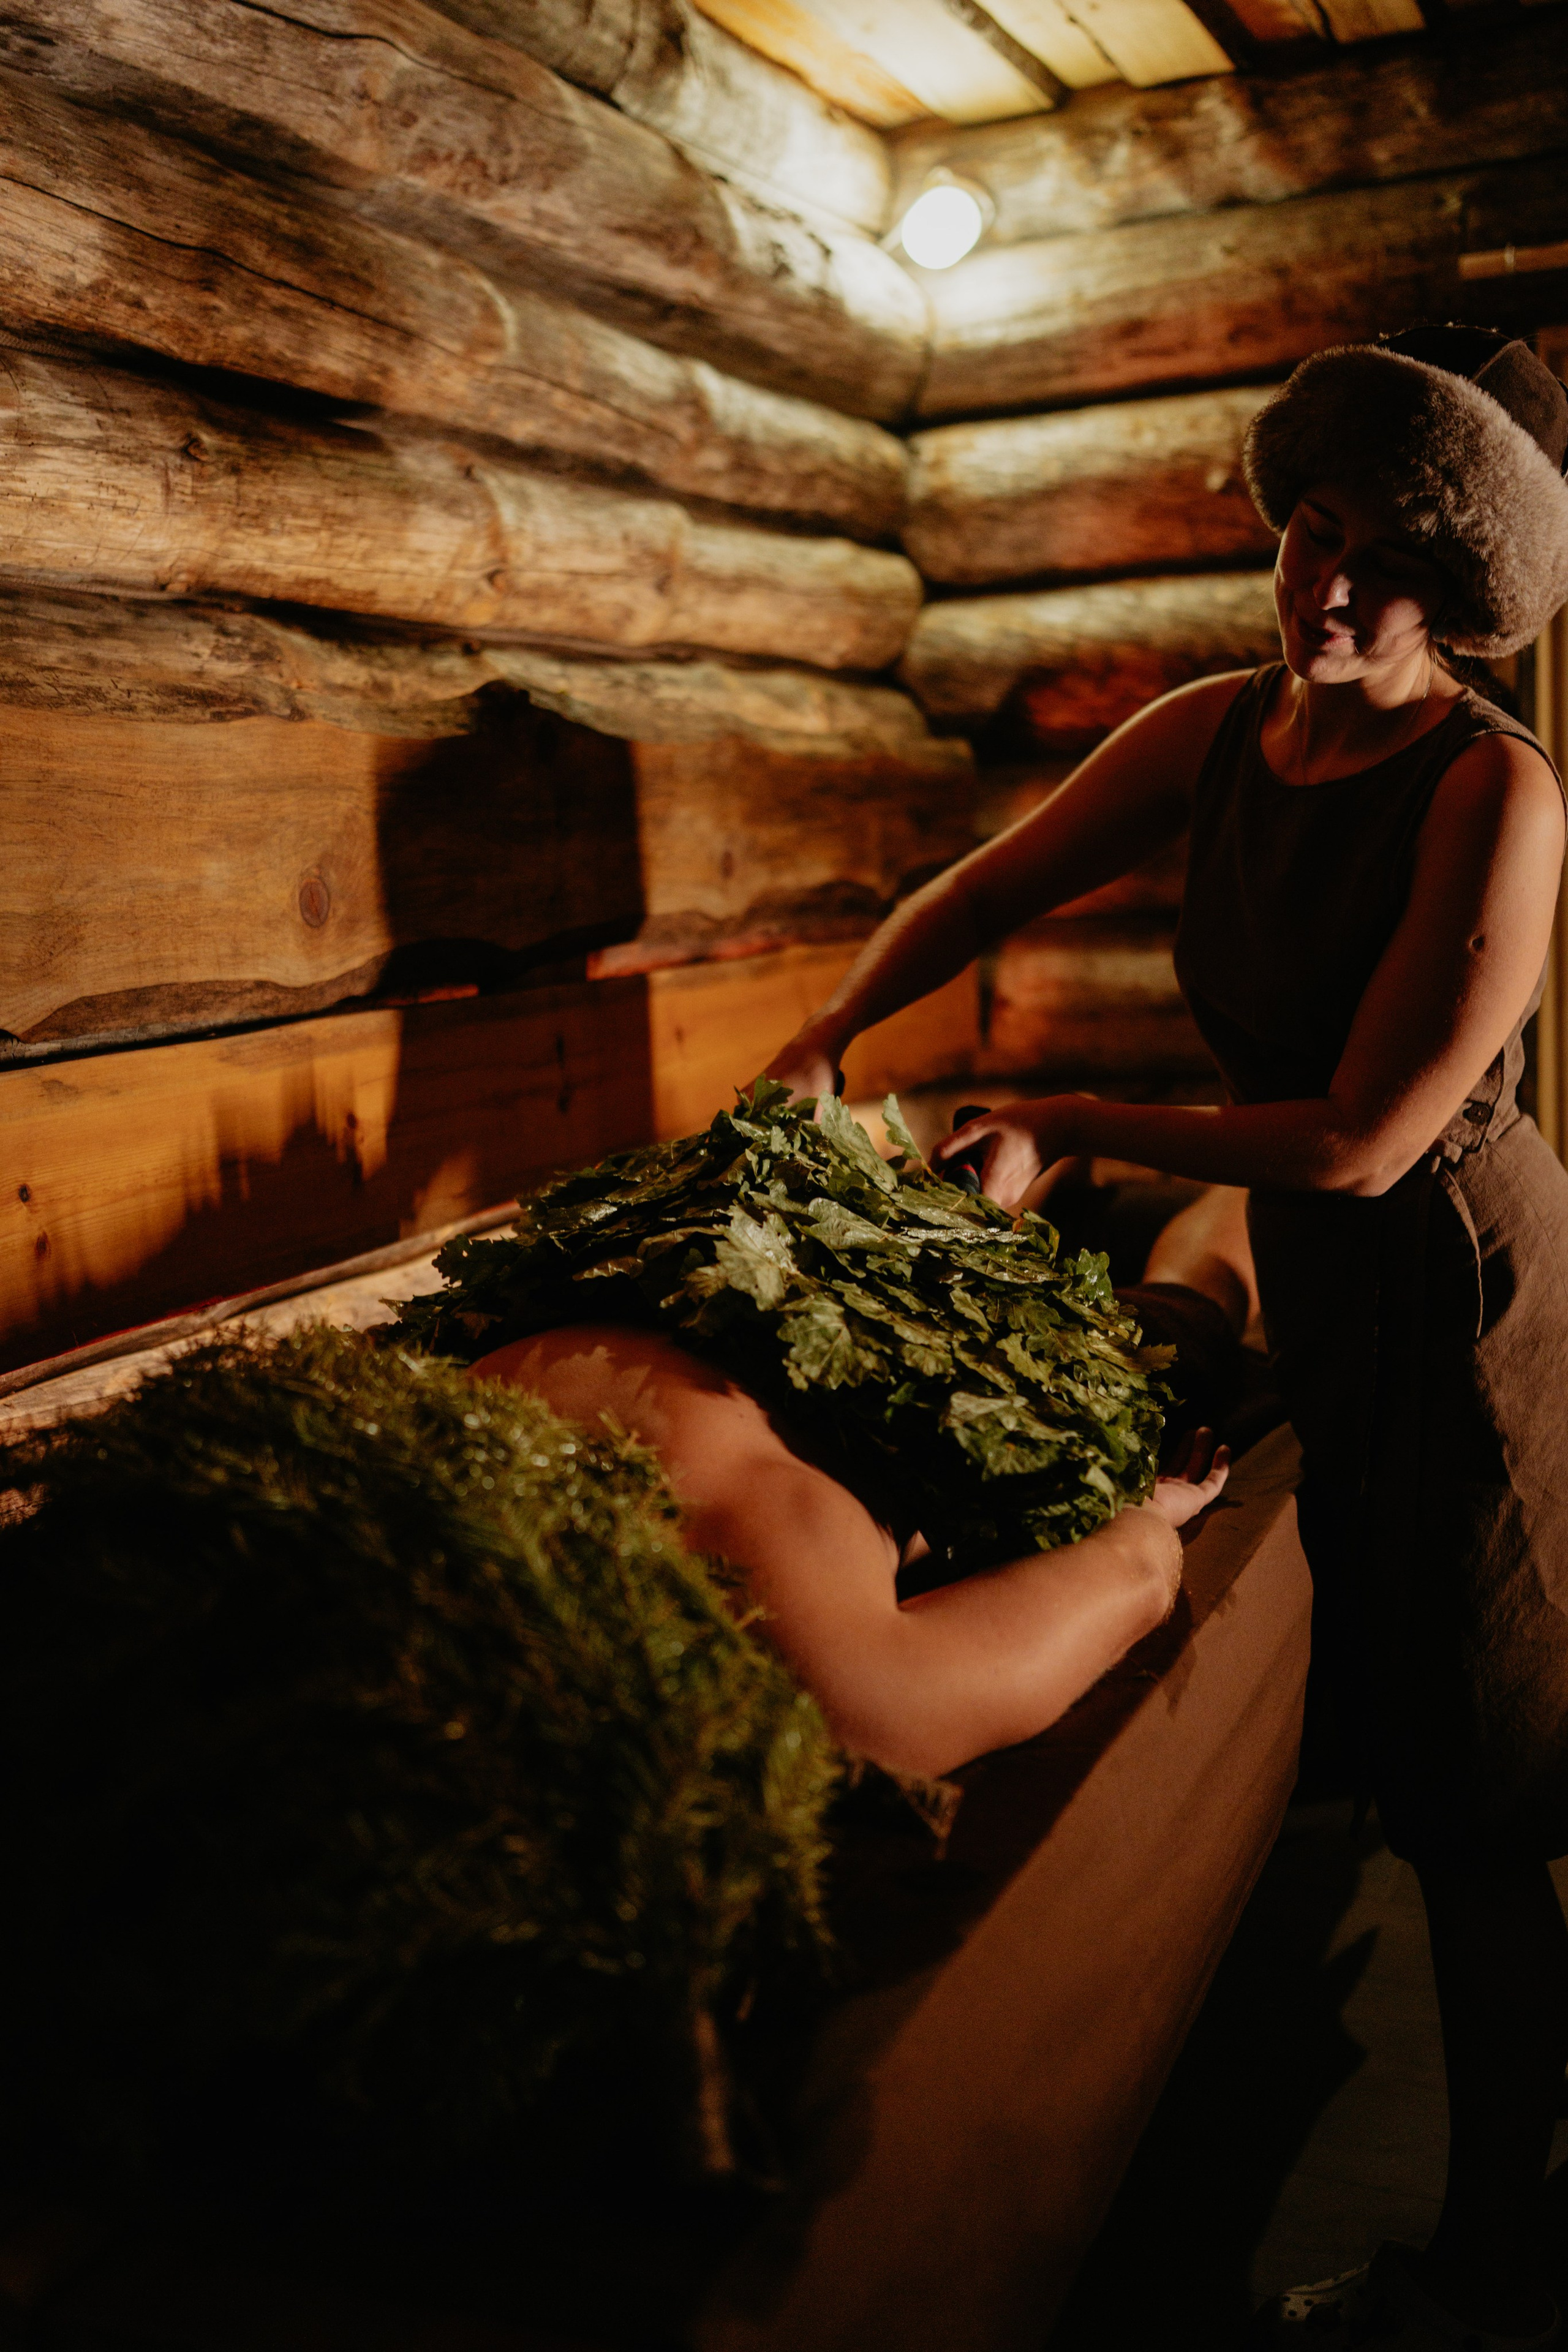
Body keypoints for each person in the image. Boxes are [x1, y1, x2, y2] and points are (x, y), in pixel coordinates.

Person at [766, 326, 1568, 2351]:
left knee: (1487, 1777)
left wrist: (1074, 1117)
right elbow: (986, 882)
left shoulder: (1495, 789)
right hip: (1316, 1272)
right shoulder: (1220, 727)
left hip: (1458, 1291)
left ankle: (1497, 2256)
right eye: (1313, 532)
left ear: (1463, 601)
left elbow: (1372, 1137)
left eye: (1390, 566)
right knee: (1399, 1724)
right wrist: (825, 1030)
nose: (1332, 590)